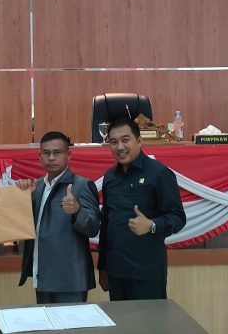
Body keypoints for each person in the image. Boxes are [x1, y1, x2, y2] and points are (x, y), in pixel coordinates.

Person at [97, 117, 186, 301]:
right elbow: (106, 223)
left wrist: (152, 225)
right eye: (113, 142)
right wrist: (103, 266)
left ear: (139, 141)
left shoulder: (159, 173)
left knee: (149, 320)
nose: (119, 147)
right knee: (119, 320)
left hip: (147, 273)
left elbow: (178, 217)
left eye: (125, 140)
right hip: (116, 272)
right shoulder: (110, 177)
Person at [17, 131, 101, 304]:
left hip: (70, 279)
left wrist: (77, 210)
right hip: (42, 274)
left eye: (57, 153)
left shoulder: (82, 185)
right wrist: (22, 199)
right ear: (40, 157)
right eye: (46, 153)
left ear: (68, 155)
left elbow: (93, 228)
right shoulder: (37, 187)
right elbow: (26, 225)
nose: (51, 158)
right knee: (44, 321)